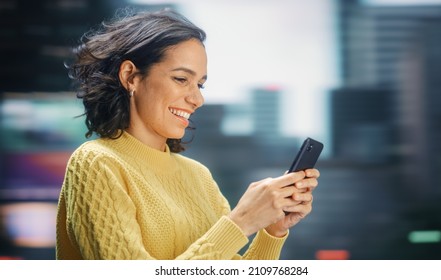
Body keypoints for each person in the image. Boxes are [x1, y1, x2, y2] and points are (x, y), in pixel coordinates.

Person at [56, 8, 320, 260]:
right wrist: (240, 222)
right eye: (181, 79)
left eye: (201, 84)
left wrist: (272, 230)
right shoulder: (96, 163)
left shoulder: (199, 177)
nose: (197, 99)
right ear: (131, 76)